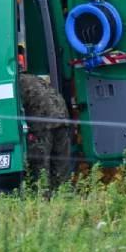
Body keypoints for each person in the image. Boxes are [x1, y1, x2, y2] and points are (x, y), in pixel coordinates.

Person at [17, 60, 72, 190]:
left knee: (40, 164)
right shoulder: (35, 79)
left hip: (43, 123)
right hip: (62, 118)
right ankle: (63, 195)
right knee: (61, 162)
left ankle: (43, 197)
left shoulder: (17, 83)